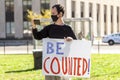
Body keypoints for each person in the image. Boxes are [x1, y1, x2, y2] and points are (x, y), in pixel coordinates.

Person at [31, 4, 77, 80]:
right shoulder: (49, 28)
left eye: (53, 13)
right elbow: (37, 36)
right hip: (51, 65)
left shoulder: (68, 29)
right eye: (51, 13)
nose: (52, 16)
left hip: (63, 65)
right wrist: (33, 27)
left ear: (60, 14)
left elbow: (76, 44)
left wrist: (71, 40)